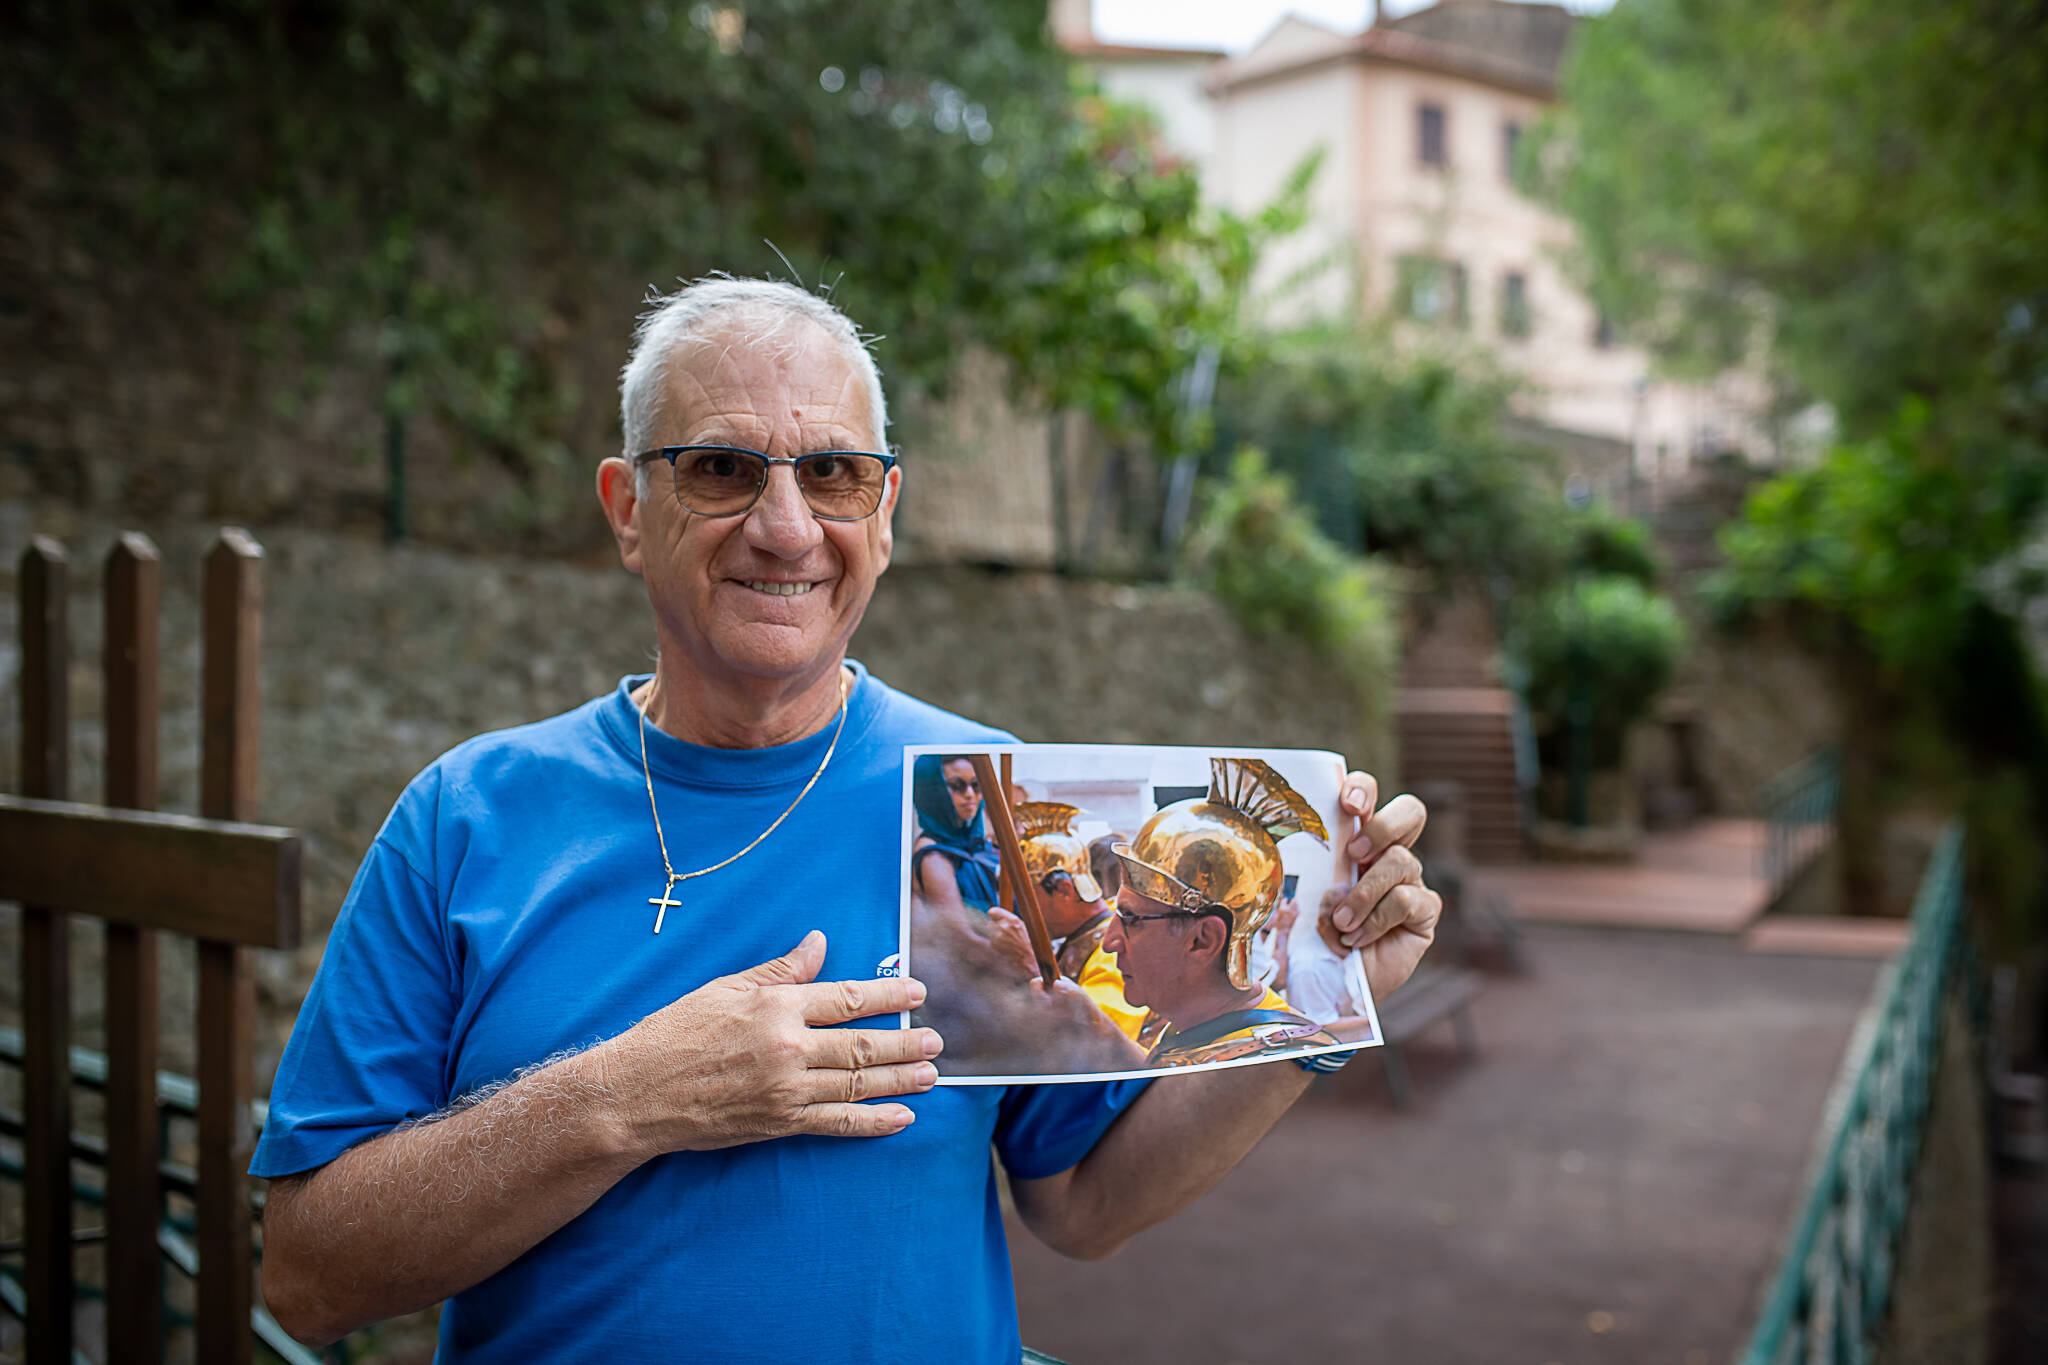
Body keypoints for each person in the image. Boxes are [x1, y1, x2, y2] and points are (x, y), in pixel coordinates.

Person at [252, 278, 1442, 1364]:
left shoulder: (984, 802)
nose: (785, 526)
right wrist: (626, 1097)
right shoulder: (466, 816)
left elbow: (1085, 1202)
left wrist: (1323, 994)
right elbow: (307, 1277)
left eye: (833, 473)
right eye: (721, 468)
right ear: (627, 509)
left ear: (884, 513)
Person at [1104, 759, 1348, 1068]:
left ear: (1203, 940)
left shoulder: (1275, 1060)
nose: (1109, 942)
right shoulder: (1191, 1027)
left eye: (1130, 919)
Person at [1011, 801, 1147, 1039]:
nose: (1022, 909)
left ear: (1064, 890)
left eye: (1028, 897)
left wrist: (1031, 965)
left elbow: (1100, 1045)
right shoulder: (1082, 936)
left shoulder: (1114, 951)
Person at [911, 752, 1003, 913]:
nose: (970, 794)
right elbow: (957, 926)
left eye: (976, 785)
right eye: (957, 786)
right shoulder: (932, 854)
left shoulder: (975, 843)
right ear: (933, 792)